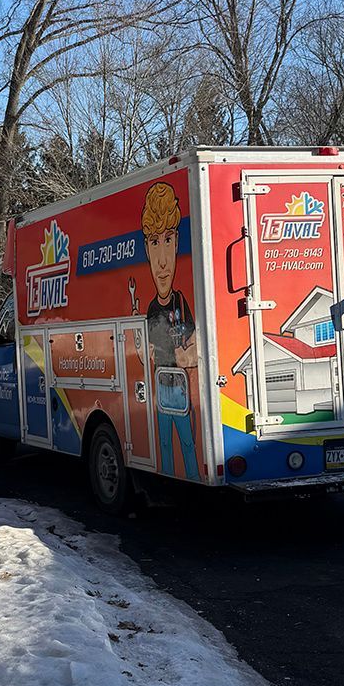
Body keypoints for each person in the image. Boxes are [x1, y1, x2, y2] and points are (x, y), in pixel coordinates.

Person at [141, 181, 199, 479]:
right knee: (164, 440)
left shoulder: (181, 301)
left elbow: (194, 342)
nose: (162, 260)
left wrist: (187, 352)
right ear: (146, 250)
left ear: (177, 243)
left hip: (179, 384)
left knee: (187, 441)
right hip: (162, 383)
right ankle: (171, 477)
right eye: (154, 243)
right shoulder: (152, 308)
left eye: (167, 241)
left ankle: (185, 476)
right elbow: (148, 349)